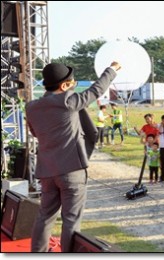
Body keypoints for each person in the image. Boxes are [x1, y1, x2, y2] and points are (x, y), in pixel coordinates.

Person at [28, 61, 120, 252]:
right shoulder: (68, 101)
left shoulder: (31, 107)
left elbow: (36, 133)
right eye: (71, 83)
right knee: (71, 219)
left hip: (47, 171)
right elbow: (95, 91)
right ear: (63, 86)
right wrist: (111, 71)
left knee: (44, 216)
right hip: (71, 171)